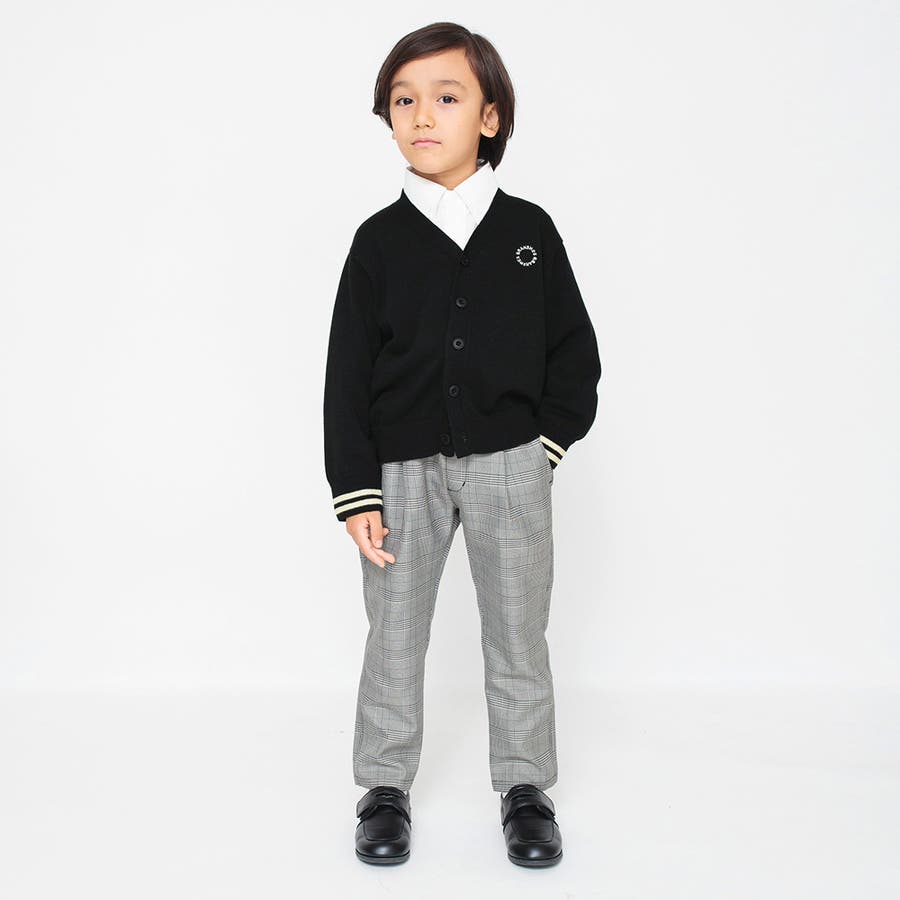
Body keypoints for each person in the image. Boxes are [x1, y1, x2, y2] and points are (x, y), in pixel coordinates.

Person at [323, 21, 601, 868]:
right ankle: (383, 787)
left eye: (446, 97)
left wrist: (541, 451)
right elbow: (346, 373)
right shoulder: (378, 243)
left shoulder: (530, 232)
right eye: (403, 100)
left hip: (511, 465)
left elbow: (575, 355)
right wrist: (356, 488)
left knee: (518, 632)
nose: (421, 115)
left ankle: (525, 786)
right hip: (399, 472)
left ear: (489, 117)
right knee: (394, 633)